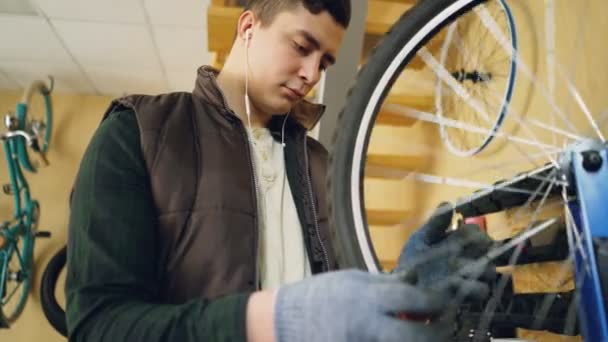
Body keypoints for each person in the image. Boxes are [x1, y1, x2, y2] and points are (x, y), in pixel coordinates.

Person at [65, 1, 494, 341]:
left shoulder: (321, 165)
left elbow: (331, 308)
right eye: (301, 46)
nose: (310, 74)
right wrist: (273, 322)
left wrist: (406, 288)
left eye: (324, 62)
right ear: (248, 28)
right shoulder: (136, 131)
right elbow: (98, 326)